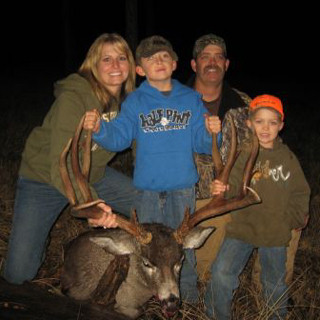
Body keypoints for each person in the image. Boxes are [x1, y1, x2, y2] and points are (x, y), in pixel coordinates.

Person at [83, 35, 222, 302]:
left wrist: (210, 132)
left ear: (174, 64)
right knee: (147, 254)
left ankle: (188, 301)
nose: (158, 61)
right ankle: (148, 299)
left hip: (182, 191)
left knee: (183, 252)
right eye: (150, 58)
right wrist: (101, 129)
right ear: (139, 70)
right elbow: (120, 137)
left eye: (164, 57)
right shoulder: (135, 101)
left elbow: (202, 143)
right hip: (147, 191)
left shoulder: (191, 99)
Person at [3, 33, 137, 285]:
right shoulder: (74, 97)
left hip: (93, 174)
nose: (115, 66)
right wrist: (91, 207)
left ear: (130, 65)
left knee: (149, 202)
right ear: (93, 65)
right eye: (106, 59)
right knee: (19, 274)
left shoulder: (129, 102)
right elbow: (60, 162)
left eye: (121, 58)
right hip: (44, 178)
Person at [204, 94, 310, 320]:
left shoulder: (287, 159)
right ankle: (216, 315)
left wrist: (291, 220)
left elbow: (301, 192)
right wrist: (220, 188)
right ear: (249, 123)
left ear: (281, 126)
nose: (265, 128)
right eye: (260, 121)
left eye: (272, 122)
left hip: (274, 234)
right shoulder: (242, 154)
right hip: (242, 229)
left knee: (274, 284)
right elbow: (231, 186)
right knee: (221, 274)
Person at [188, 33, 251, 280]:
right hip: (189, 200)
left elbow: (265, 151)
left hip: (233, 196)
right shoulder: (174, 103)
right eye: (205, 57)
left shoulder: (245, 104)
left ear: (226, 64)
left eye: (218, 57)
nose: (212, 63)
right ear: (194, 65)